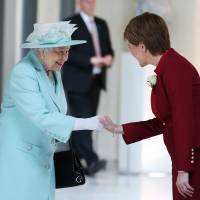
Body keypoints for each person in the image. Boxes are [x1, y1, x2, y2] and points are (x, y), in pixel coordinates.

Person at [0, 21, 105, 200]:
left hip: (43, 157)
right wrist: (86, 123)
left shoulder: (53, 71)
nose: (65, 57)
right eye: (60, 51)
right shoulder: (23, 73)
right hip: (20, 159)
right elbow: (42, 116)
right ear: (42, 50)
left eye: (67, 51)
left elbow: (57, 111)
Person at [101, 12, 200, 200]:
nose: (130, 51)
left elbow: (183, 121)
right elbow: (165, 122)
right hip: (184, 160)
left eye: (130, 46)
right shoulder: (167, 68)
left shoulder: (176, 69)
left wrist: (183, 169)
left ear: (142, 46)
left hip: (192, 161)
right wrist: (119, 128)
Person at [62, 0, 114, 175]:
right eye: (86, 1)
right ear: (79, 3)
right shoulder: (70, 23)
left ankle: (76, 163)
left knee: (87, 123)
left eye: (92, 0)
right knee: (83, 121)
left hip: (96, 82)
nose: (90, 4)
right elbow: (65, 52)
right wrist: (91, 61)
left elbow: (109, 50)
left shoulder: (101, 24)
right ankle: (91, 160)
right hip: (76, 82)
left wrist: (108, 58)